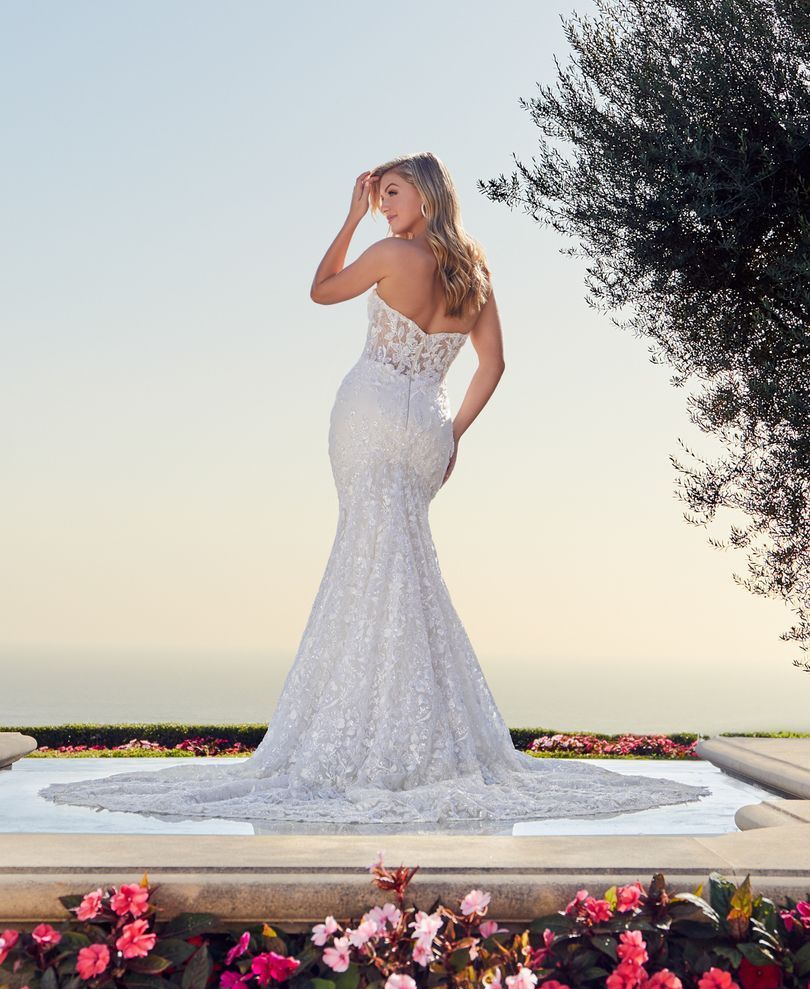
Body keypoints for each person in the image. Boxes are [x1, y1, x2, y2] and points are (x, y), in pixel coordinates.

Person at [38, 152, 710, 832]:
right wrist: (456, 436)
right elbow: (494, 363)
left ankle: (368, 736)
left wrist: (349, 218)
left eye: (392, 193)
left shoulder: (389, 252)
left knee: (369, 564)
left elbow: (322, 288)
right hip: (427, 430)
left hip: (369, 415)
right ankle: (416, 730)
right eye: (378, 197)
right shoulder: (475, 272)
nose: (384, 206)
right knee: (403, 566)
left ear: (424, 192)